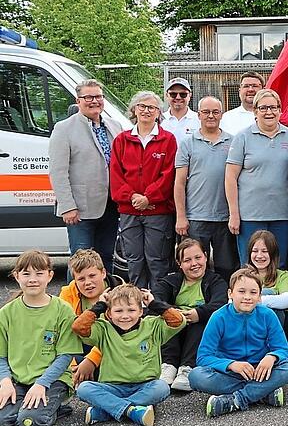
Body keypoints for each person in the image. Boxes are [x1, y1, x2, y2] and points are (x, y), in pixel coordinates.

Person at [188, 268, 288, 418]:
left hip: (261, 372)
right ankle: (263, 393)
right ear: (230, 294)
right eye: (241, 291)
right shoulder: (218, 317)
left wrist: (272, 357)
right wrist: (231, 364)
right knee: (195, 376)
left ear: (260, 297)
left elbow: (282, 349)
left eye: (253, 292)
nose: (247, 297)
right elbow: (203, 357)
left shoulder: (267, 315)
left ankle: (237, 399)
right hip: (230, 374)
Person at [71, 284, 185, 426]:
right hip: (112, 387)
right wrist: (99, 306)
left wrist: (154, 304)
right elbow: (78, 327)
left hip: (144, 386)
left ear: (140, 311)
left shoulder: (152, 326)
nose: (125, 316)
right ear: (109, 313)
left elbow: (178, 320)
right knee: (84, 388)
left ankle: (108, 410)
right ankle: (132, 410)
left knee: (161, 387)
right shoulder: (104, 329)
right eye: (118, 311)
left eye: (131, 310)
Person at [0, 250, 82, 426]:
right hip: (17, 380)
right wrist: (5, 381)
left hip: (51, 381)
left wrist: (41, 384)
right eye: (26, 274)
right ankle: (23, 405)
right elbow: (1, 355)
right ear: (16, 276)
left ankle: (55, 409)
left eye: (39, 273)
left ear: (50, 275)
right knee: (2, 425)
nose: (33, 279)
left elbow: (65, 355)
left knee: (29, 423)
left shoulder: (62, 310)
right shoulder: (6, 313)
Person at [48, 78, 122, 274]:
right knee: (81, 261)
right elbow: (58, 171)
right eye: (88, 97)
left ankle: (103, 302)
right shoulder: (64, 129)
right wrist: (68, 207)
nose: (94, 101)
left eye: (98, 96)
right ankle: (73, 304)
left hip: (111, 206)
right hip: (80, 210)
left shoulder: (115, 126)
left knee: (106, 258)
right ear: (78, 100)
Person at [110, 90, 177, 290]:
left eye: (152, 107)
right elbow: (115, 174)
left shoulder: (168, 139)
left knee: (157, 261)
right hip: (129, 211)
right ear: (134, 110)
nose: (146, 111)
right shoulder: (122, 140)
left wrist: (149, 198)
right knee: (134, 261)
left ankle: (158, 305)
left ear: (159, 112)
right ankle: (136, 305)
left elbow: (169, 175)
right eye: (142, 106)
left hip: (157, 212)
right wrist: (132, 197)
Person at [225, 89, 288, 267]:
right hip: (250, 216)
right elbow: (230, 177)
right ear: (255, 111)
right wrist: (234, 214)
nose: (269, 112)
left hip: (282, 215)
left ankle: (277, 296)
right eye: (263, 107)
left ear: (280, 110)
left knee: (278, 264)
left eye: (273, 107)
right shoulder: (242, 137)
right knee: (251, 264)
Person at [174, 96, 237, 281]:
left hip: (224, 217)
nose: (211, 116)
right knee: (194, 267)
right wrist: (181, 216)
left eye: (215, 112)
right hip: (195, 217)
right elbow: (179, 182)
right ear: (199, 115)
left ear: (222, 114)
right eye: (206, 112)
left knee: (226, 266)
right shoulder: (187, 143)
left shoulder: (233, 142)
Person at [152, 238, 228, 392]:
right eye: (187, 260)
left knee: (200, 323)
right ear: (179, 263)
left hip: (198, 325)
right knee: (167, 320)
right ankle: (168, 365)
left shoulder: (216, 281)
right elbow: (155, 299)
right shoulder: (170, 281)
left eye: (198, 257)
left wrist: (198, 313)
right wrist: (172, 313)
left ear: (206, 257)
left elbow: (220, 303)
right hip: (176, 323)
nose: (194, 264)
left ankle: (187, 368)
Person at [58, 249, 125, 385]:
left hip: (114, 349)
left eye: (92, 276)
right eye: (81, 279)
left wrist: (91, 361)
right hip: (80, 347)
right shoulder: (67, 293)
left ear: (103, 273)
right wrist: (72, 365)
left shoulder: (122, 293)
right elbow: (63, 332)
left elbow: (120, 335)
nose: (87, 283)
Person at [246, 230, 288, 325]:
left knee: (267, 292)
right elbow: (232, 301)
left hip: (275, 323)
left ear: (273, 254)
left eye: (265, 251)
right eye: (255, 251)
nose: (259, 255)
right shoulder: (243, 276)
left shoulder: (284, 276)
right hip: (248, 323)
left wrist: (255, 300)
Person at [161, 77, 200, 141]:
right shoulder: (159, 121)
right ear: (167, 96)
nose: (178, 97)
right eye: (173, 94)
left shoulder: (199, 120)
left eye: (183, 94)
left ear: (190, 95)